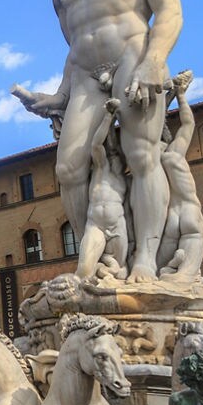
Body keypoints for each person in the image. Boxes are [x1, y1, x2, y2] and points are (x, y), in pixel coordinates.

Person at [16, 0, 184, 283]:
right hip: (88, 74)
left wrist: (154, 60)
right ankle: (102, 261)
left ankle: (145, 259)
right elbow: (75, 47)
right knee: (69, 168)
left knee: (143, 155)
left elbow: (169, 10)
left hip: (134, 55)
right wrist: (58, 94)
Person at [157, 70, 203, 278]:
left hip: (170, 217)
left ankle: (169, 269)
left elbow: (155, 123)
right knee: (186, 275)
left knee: (158, 272)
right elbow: (188, 123)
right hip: (189, 209)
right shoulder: (175, 153)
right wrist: (181, 95)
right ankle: (178, 270)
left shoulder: (149, 161)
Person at [75, 98, 128, 279]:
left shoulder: (126, 180)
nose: (116, 158)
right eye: (113, 155)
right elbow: (97, 145)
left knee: (120, 273)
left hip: (117, 225)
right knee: (83, 270)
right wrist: (108, 116)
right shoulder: (101, 168)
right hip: (95, 225)